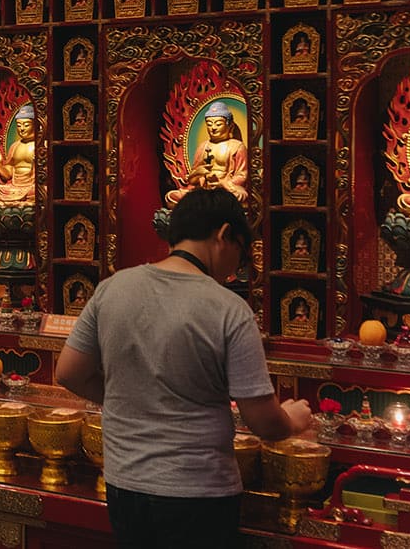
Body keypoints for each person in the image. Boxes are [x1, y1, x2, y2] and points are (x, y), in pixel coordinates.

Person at [57, 188, 313, 549]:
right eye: (239, 254)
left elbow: (68, 372)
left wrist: (130, 396)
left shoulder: (112, 289)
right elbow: (263, 422)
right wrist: (293, 420)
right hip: (197, 492)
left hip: (124, 485)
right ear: (223, 235)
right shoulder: (228, 308)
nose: (234, 270)